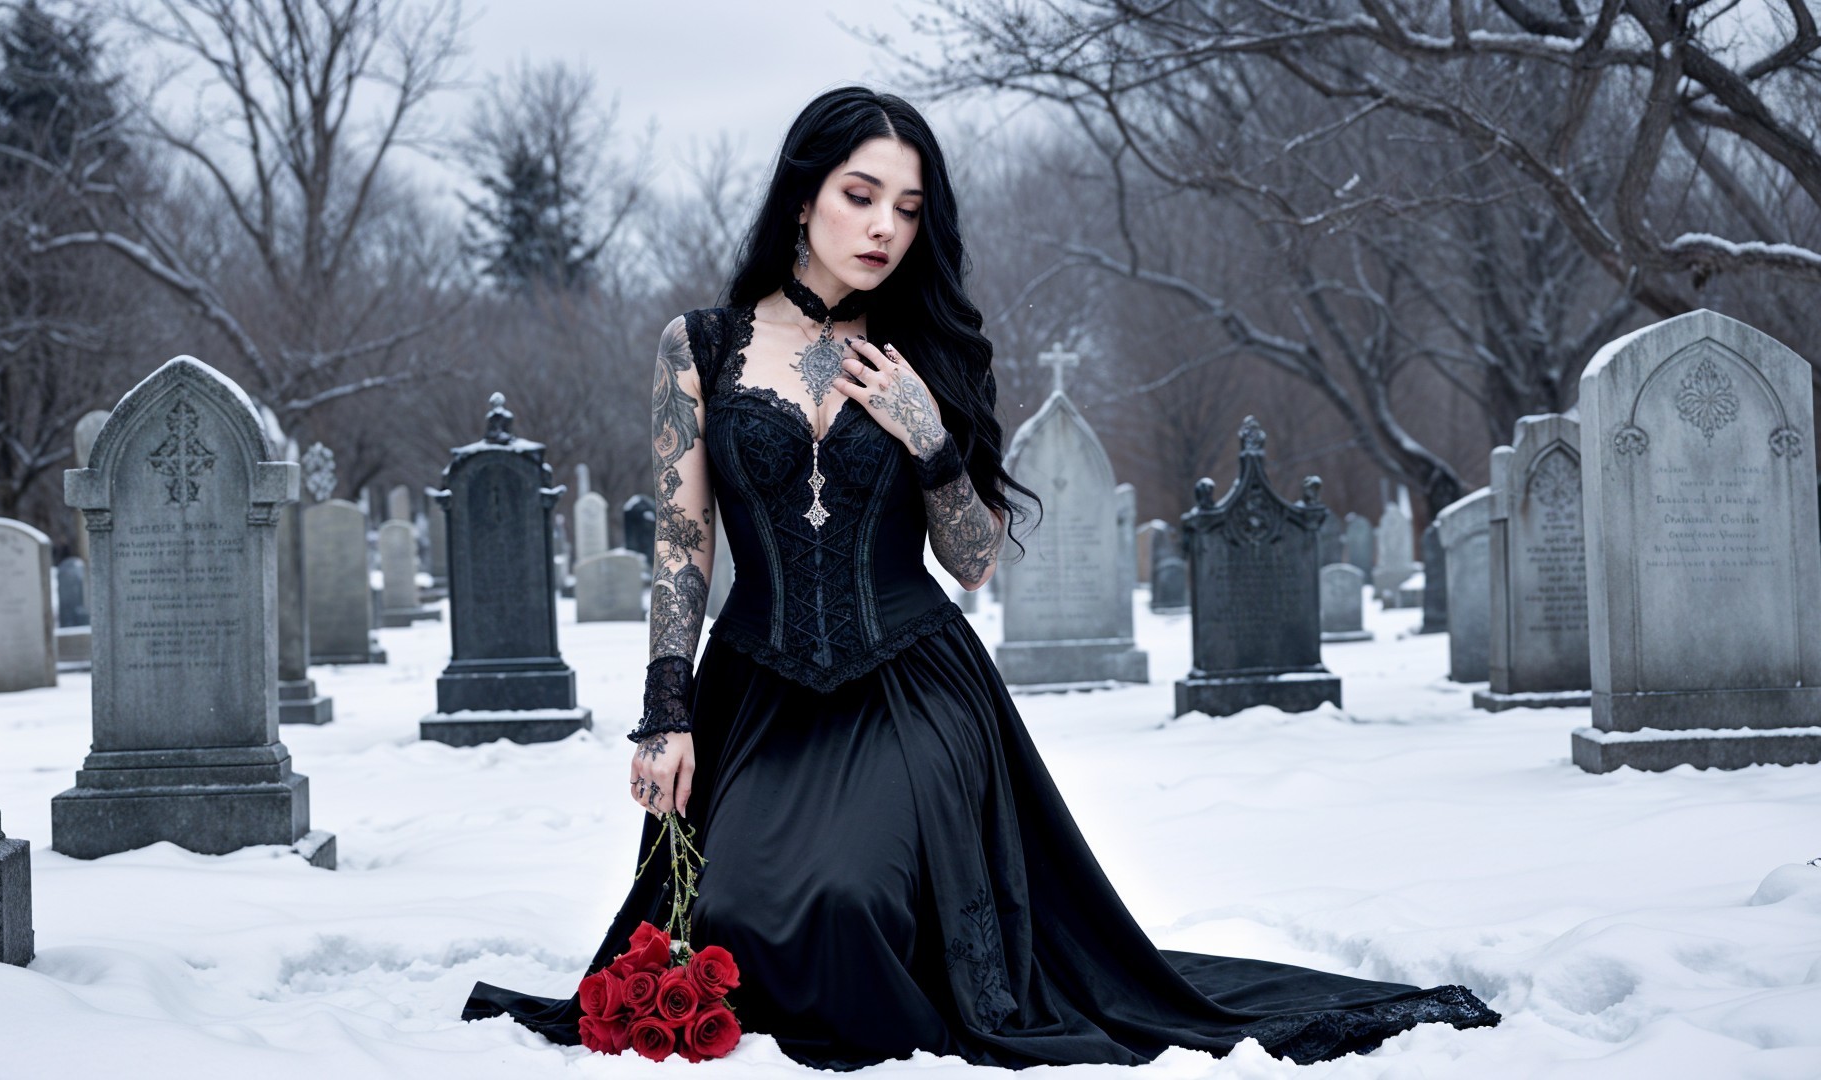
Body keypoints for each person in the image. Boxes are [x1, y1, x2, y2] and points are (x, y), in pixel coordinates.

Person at [462, 86, 1499, 1069]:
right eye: (860, 197)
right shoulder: (699, 346)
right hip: (757, 693)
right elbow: (682, 541)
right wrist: (665, 712)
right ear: (802, 195)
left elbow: (972, 559)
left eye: (907, 209)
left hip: (911, 684)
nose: (883, 228)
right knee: (739, 918)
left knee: (848, 902)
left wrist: (928, 439)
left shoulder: (938, 349)